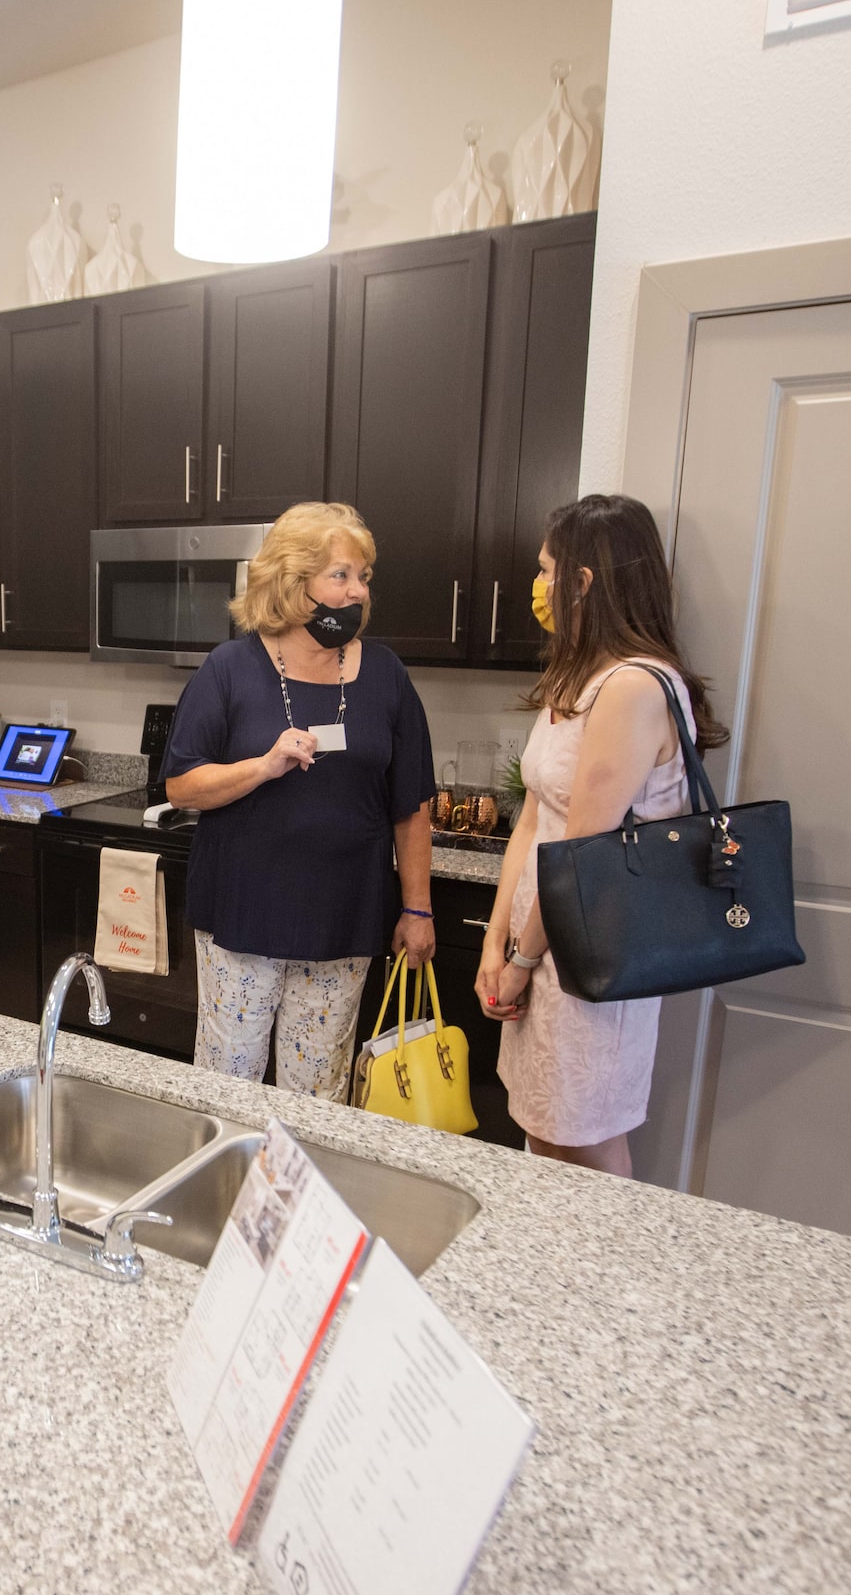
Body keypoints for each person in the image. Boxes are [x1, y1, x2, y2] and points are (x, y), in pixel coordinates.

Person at [477, 493, 728, 1178]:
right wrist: (495, 941)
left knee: (582, 1139)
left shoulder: (634, 688)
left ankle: (601, 1278)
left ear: (581, 581)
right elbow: (534, 817)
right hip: (540, 941)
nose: (537, 584)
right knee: (543, 1131)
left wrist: (522, 962)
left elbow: (582, 855)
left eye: (544, 568)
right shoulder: (574, 678)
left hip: (593, 954)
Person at [162, 502, 438, 1098]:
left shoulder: (386, 676)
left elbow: (412, 805)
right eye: (340, 575)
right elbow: (182, 785)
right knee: (227, 1085)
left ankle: (295, 1195)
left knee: (318, 1094)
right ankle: (224, 1189)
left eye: (362, 577)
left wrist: (418, 909)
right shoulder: (229, 669)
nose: (356, 591)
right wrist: (262, 767)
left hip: (343, 917)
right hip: (242, 915)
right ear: (292, 583)